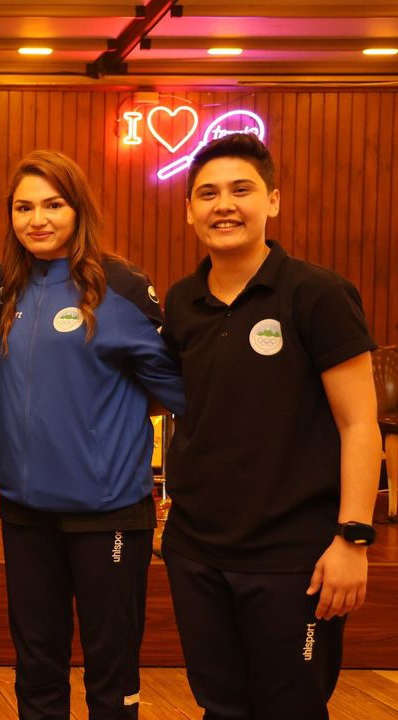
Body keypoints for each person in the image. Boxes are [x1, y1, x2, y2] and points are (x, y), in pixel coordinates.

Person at [162, 133, 380, 719]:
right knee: (220, 706)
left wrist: (354, 538)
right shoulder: (181, 303)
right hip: (196, 550)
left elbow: (360, 424)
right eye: (208, 193)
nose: (224, 205)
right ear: (189, 210)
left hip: (294, 558)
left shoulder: (318, 294)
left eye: (242, 190)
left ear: (273, 201)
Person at [0, 150, 185, 719]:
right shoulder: (8, 288)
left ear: (78, 209)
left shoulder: (119, 285)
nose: (37, 219)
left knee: (110, 674)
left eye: (53, 205)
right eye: (23, 207)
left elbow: (176, 392)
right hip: (26, 515)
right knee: (37, 672)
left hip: (109, 515)